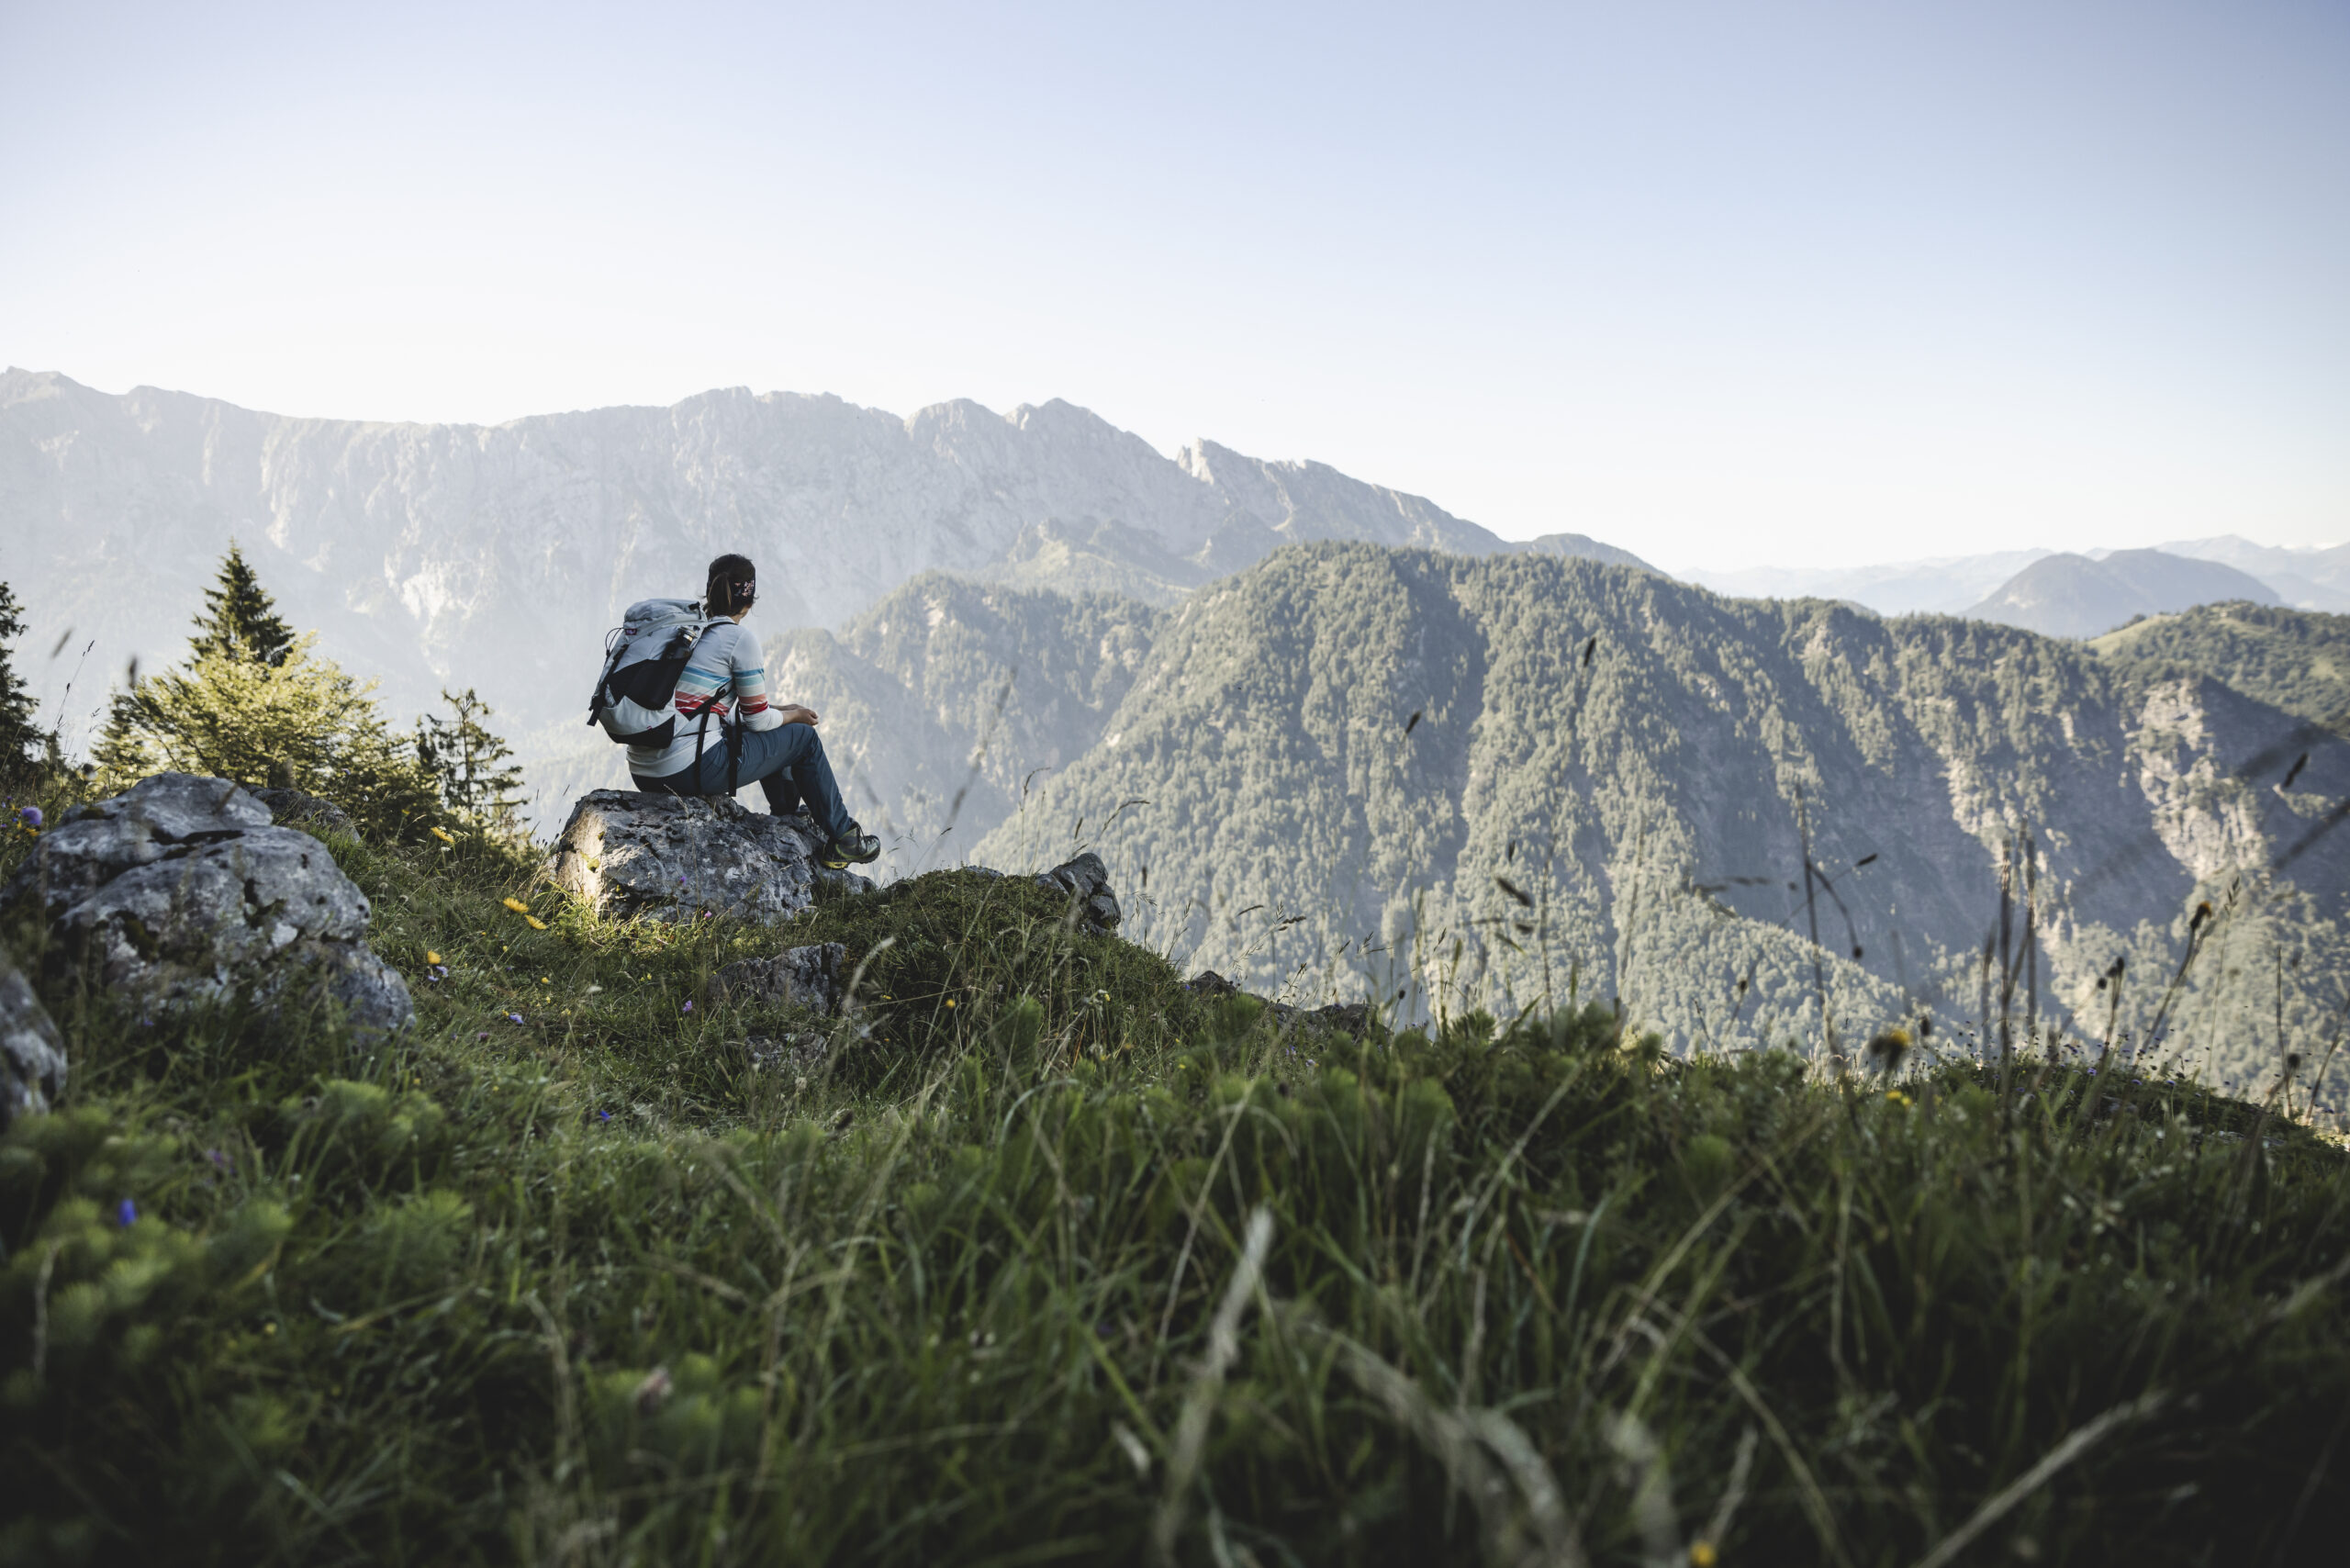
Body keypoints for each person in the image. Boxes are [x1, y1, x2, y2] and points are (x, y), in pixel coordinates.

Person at [628, 553, 881, 865]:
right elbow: (759, 721)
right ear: (749, 599)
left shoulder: (690, 635)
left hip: (644, 771)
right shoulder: (738, 640)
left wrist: (781, 709)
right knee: (803, 738)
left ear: (710, 593)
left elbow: (709, 709)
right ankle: (844, 838)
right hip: (685, 771)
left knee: (782, 726)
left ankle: (789, 816)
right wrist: (795, 716)